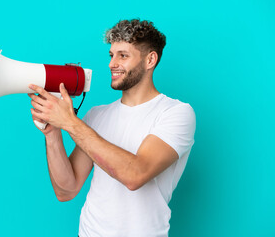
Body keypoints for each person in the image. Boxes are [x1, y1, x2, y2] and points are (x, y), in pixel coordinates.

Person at [28, 19, 196, 237]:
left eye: (123, 56)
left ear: (150, 60)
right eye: (111, 55)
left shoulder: (175, 113)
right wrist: (53, 133)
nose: (111, 64)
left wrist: (69, 121)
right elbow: (66, 190)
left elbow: (135, 175)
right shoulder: (97, 115)